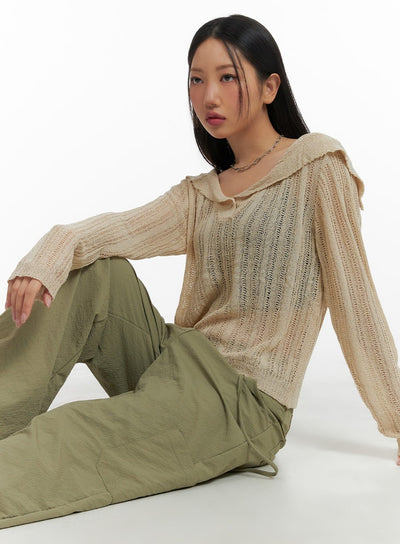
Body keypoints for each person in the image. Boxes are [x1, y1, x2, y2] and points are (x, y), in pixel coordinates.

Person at [0, 13, 399, 530]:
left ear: (270, 87)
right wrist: (46, 256)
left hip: (240, 400)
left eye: (228, 77)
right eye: (196, 79)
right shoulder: (202, 194)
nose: (209, 96)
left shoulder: (318, 168)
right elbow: (115, 230)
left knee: (74, 434)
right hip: (175, 360)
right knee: (91, 275)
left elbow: (356, 301)